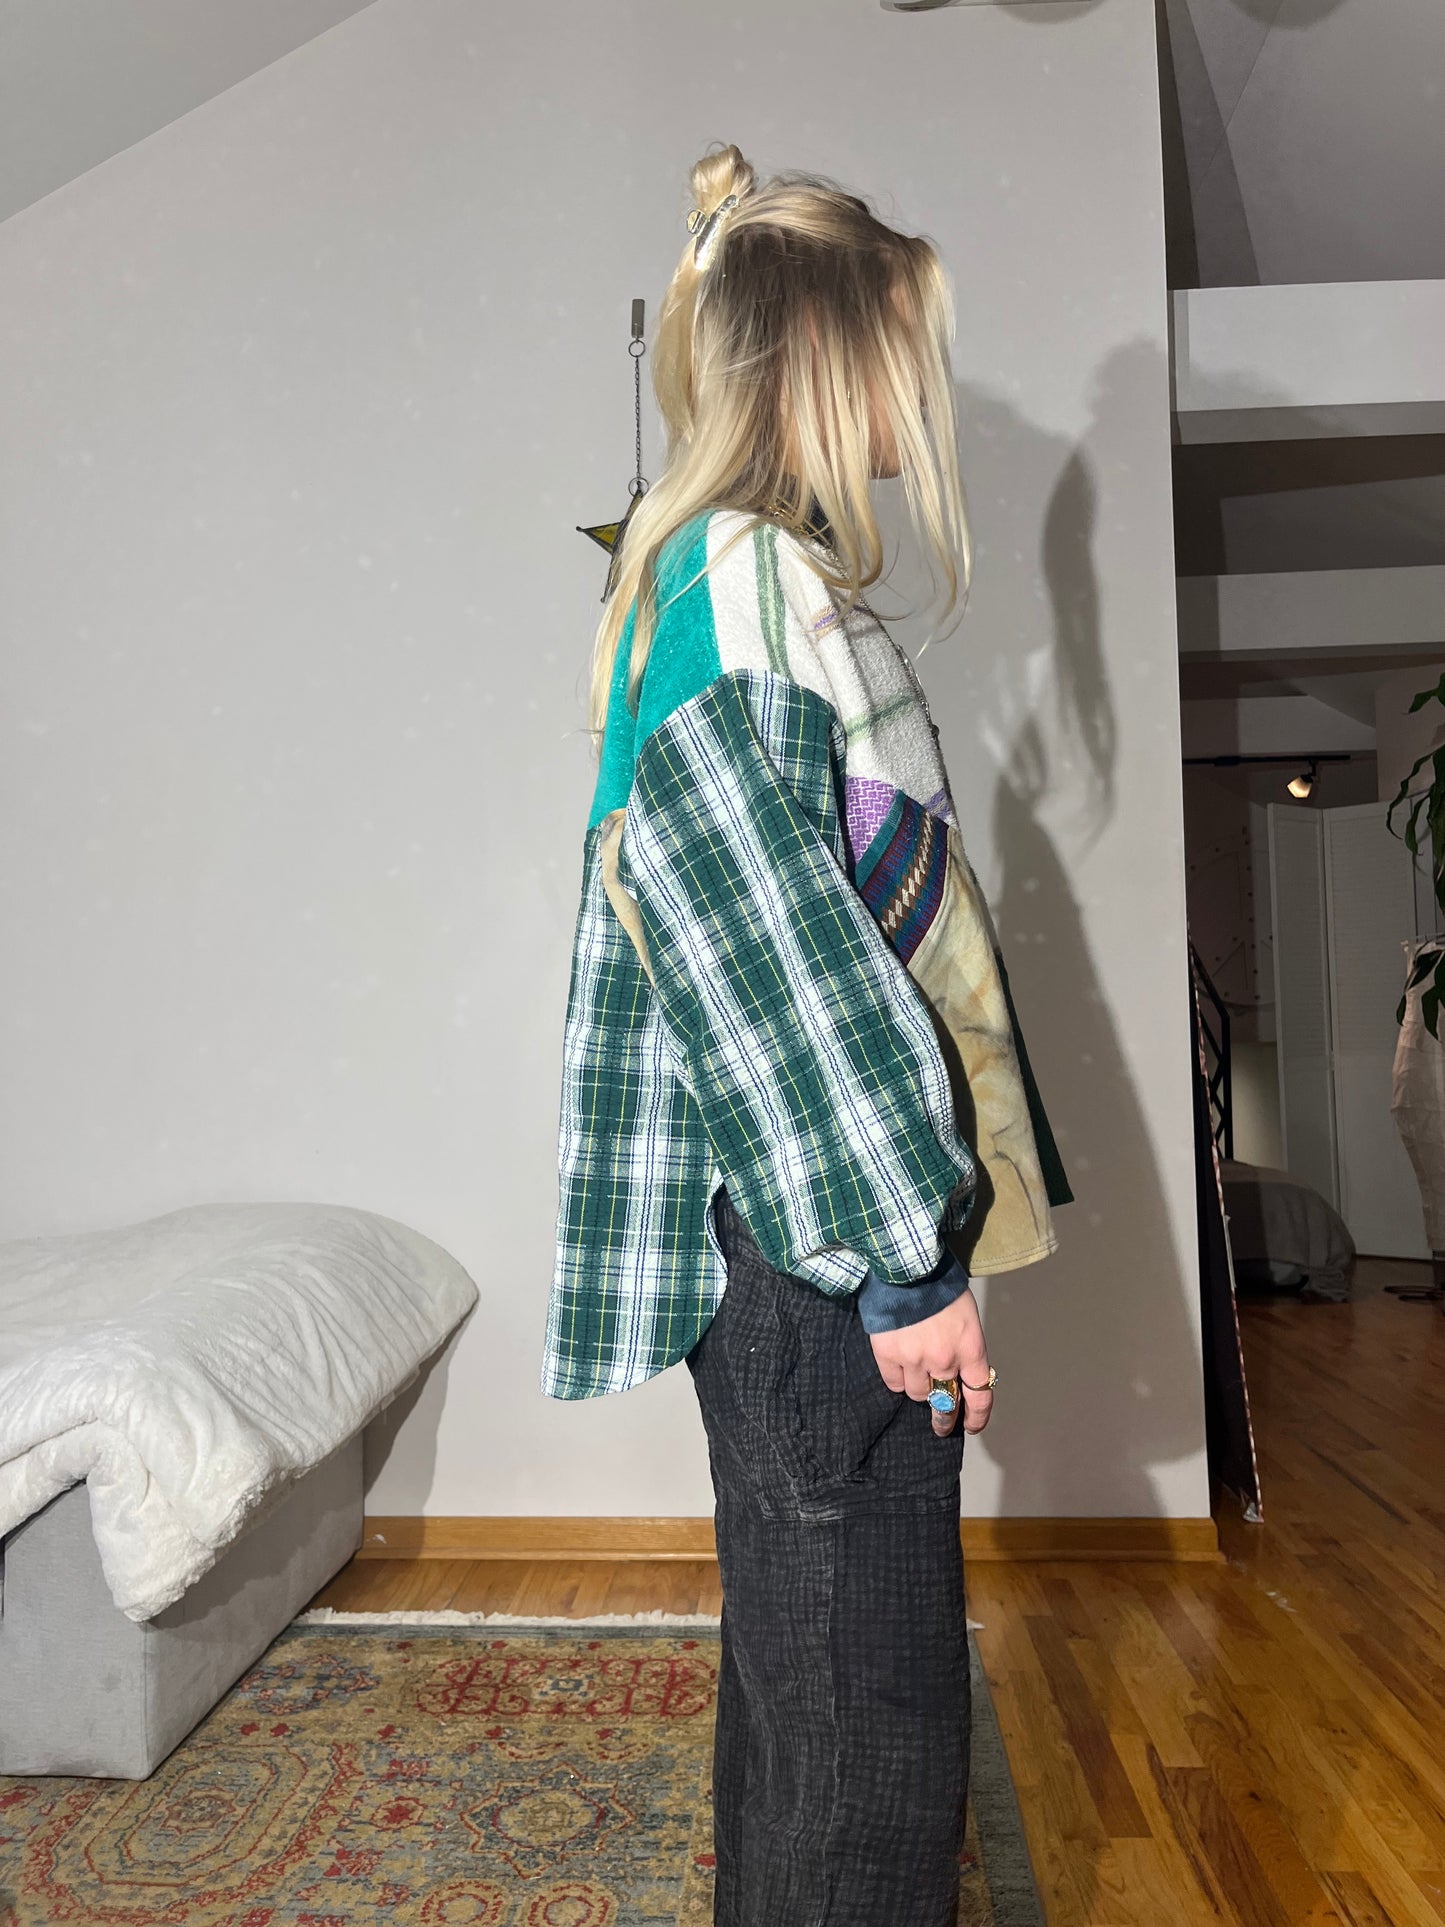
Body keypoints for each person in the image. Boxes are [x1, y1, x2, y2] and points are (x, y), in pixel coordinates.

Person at [543, 142, 1071, 1927]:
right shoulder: (748, 585)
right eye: (906, 355)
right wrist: (900, 1263)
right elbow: (766, 946)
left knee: (808, 1686)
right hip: (812, 1247)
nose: (922, 395)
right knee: (868, 1709)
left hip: (779, 1235)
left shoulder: (708, 582)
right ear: (833, 360)